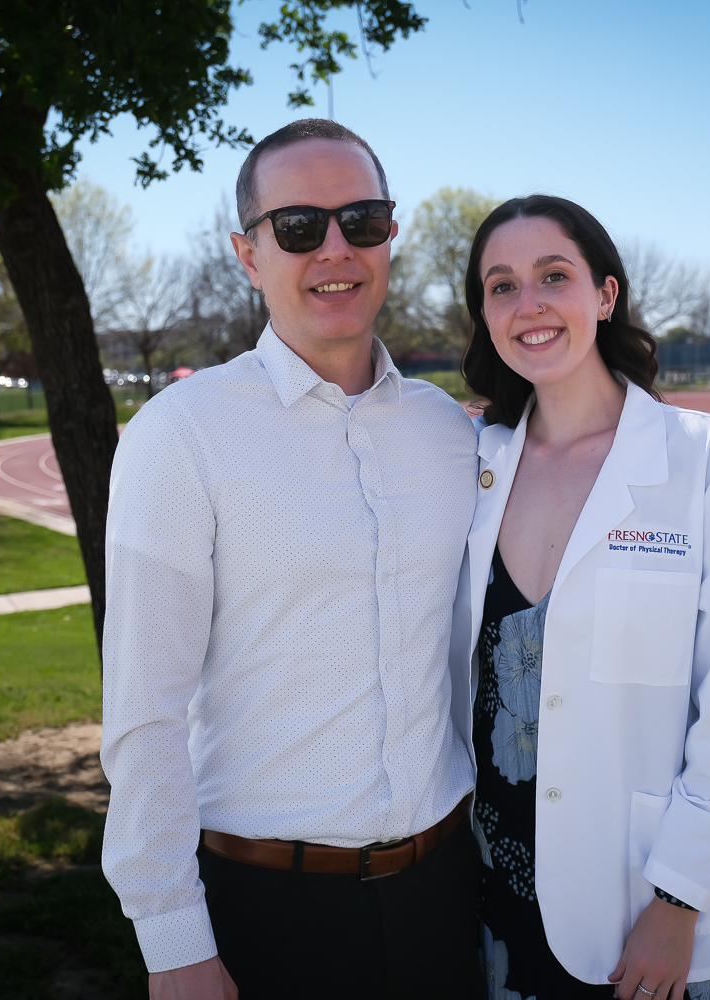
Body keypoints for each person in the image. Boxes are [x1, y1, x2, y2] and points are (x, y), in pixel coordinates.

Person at [99, 119, 483, 1000]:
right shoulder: (182, 435)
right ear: (247, 253)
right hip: (268, 915)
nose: (336, 250)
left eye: (364, 220)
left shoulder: (445, 429)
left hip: (447, 896)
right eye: (301, 228)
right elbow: (144, 713)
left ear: (391, 235)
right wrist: (172, 943)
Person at [450, 196, 710, 1000]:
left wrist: (678, 901)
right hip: (492, 902)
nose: (528, 304)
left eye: (552, 276)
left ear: (605, 295)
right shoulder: (472, 463)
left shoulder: (702, 459)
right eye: (502, 286)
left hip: (646, 913)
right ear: (485, 315)